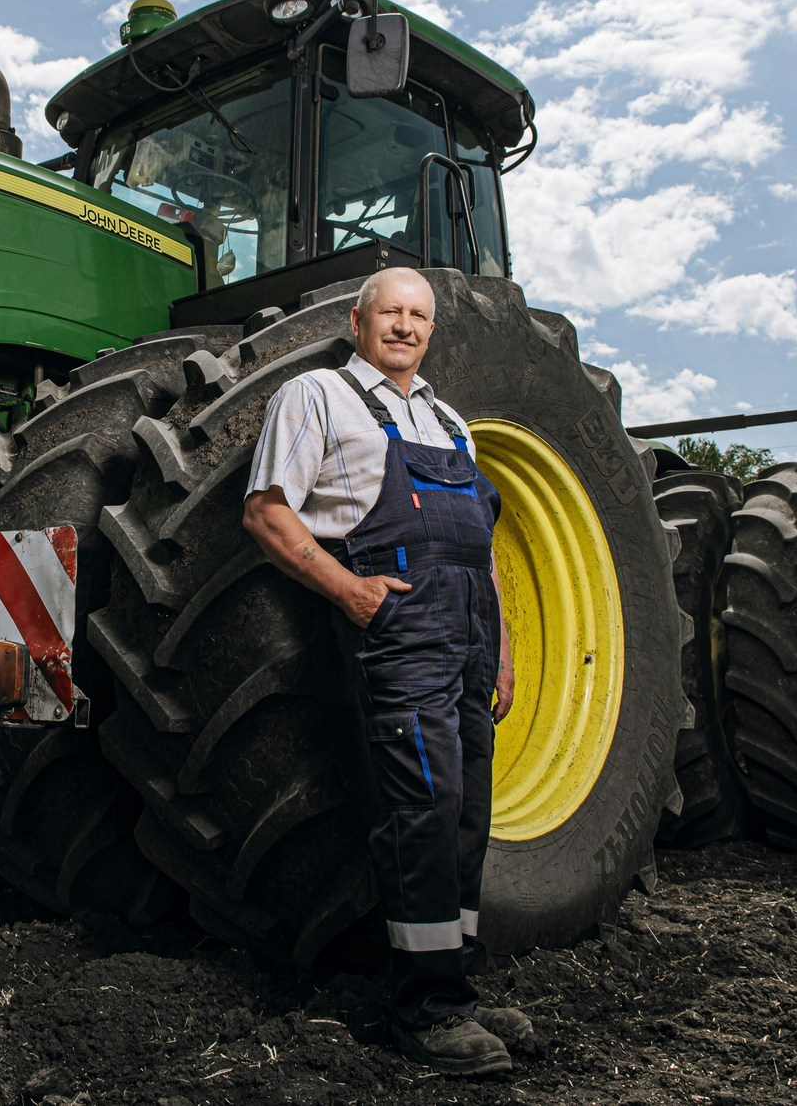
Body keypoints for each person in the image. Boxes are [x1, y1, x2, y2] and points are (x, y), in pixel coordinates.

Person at [242, 266, 538, 1076]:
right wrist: (349, 591)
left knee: (470, 810)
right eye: (390, 313)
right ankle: (426, 1009)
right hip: (400, 632)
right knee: (423, 809)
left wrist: (502, 648)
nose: (404, 326)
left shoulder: (450, 421)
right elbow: (266, 510)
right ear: (358, 319)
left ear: (431, 330)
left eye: (418, 315)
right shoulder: (317, 397)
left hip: (471, 634)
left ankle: (457, 984)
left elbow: (479, 547)